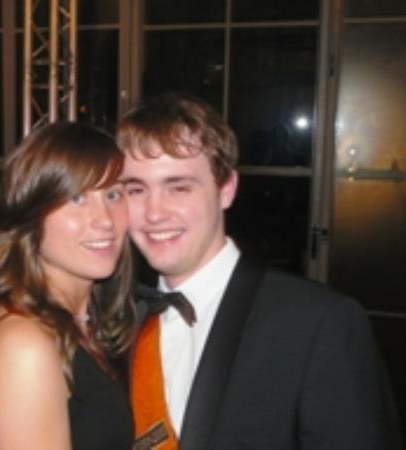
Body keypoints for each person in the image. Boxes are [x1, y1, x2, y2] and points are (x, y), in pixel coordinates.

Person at [116, 92, 403, 450]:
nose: (155, 212)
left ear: (226, 189)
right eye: (136, 190)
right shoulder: (118, 320)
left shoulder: (317, 324)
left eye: (179, 187)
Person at [0, 122, 136, 450]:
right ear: (31, 213)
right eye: (77, 198)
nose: (105, 220)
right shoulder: (24, 345)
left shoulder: (88, 321)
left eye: (113, 194)